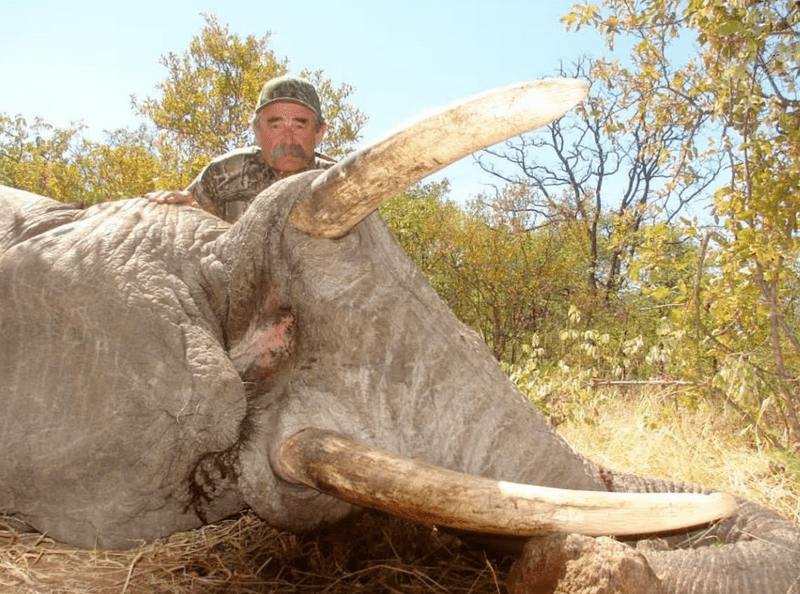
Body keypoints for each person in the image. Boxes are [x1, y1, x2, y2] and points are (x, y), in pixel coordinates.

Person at [146, 74, 334, 223]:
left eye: (299, 126)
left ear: (319, 133)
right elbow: (189, 221)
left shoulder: (339, 181)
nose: (288, 139)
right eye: (276, 126)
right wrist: (180, 209)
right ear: (257, 131)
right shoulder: (224, 174)